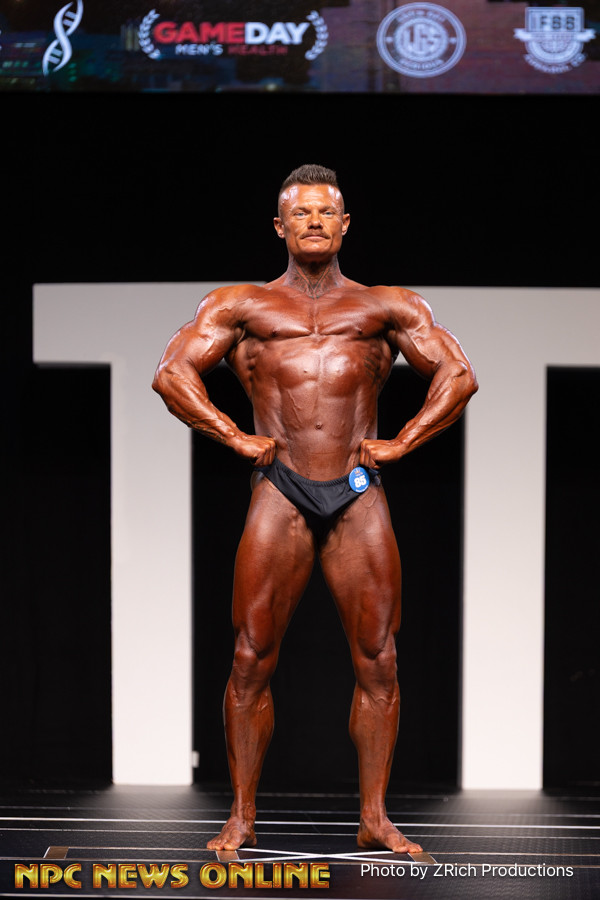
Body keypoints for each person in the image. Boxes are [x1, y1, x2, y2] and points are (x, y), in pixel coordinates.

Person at [153, 164, 478, 854]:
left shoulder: (385, 307)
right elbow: (172, 373)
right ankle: (241, 816)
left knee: (380, 659)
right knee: (250, 657)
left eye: (326, 212)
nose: (313, 223)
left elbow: (458, 375)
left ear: (345, 224)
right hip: (281, 488)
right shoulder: (241, 306)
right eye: (300, 213)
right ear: (279, 226)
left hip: (357, 493)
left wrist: (402, 442)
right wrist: (234, 436)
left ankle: (374, 816)